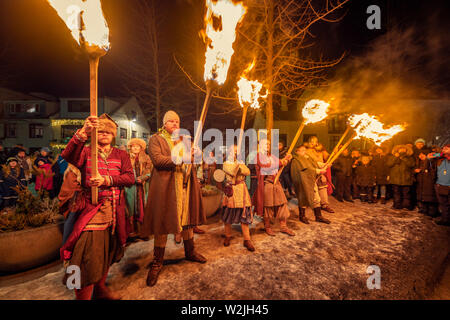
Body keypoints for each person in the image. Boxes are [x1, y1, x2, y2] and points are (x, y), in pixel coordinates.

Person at [60, 114, 135, 300]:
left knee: (107, 253)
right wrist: (84, 131)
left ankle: (100, 289)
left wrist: (107, 180)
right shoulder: (86, 152)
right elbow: (68, 155)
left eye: (108, 131)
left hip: (115, 211)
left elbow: (129, 178)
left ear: (114, 135)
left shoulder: (121, 155)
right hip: (91, 210)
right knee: (86, 257)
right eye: (100, 131)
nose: (104, 134)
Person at [141, 110, 207, 287]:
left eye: (177, 121)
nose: (175, 124)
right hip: (166, 188)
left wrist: (196, 153)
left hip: (186, 186)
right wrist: (184, 157)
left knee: (187, 221)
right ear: (164, 124)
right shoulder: (156, 139)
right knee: (163, 224)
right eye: (170, 121)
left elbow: (198, 159)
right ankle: (157, 261)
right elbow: (158, 161)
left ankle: (190, 252)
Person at [252, 138, 295, 236]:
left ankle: (283, 227)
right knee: (268, 207)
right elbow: (266, 166)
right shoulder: (258, 156)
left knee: (282, 204)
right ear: (260, 145)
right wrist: (281, 161)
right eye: (265, 144)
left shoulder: (271, 156)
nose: (267, 146)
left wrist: (287, 159)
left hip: (276, 184)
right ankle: (267, 227)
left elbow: (280, 163)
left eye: (268, 144)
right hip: (267, 184)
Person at [221, 145, 255, 251]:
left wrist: (240, 166)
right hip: (231, 191)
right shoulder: (226, 164)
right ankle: (227, 236)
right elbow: (232, 171)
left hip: (242, 191)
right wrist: (238, 167)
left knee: (244, 216)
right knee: (228, 216)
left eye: (236, 152)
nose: (235, 153)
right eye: (233, 151)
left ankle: (247, 239)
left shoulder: (241, 162)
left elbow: (247, 172)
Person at [290, 145, 331, 224]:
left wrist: (324, 165)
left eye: (305, 150)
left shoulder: (308, 158)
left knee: (316, 198)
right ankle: (302, 216)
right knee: (303, 199)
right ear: (297, 152)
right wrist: (318, 171)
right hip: (302, 183)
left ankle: (318, 216)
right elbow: (306, 170)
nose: (304, 152)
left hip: (311, 181)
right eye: (302, 150)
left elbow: (315, 164)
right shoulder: (296, 160)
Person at [124, 138, 153, 241]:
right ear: (130, 148)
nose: (135, 148)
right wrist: (131, 179)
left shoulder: (147, 158)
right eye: (133, 146)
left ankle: (143, 232)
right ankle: (131, 233)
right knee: (130, 208)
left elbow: (149, 170)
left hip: (142, 187)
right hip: (130, 187)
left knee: (142, 207)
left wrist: (143, 178)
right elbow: (123, 170)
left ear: (141, 148)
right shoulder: (126, 157)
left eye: (138, 146)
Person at [306, 136, 334, 213]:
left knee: (323, 188)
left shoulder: (321, 151)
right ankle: (310, 203)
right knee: (311, 190)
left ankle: (324, 205)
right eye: (312, 141)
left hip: (321, 173)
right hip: (312, 172)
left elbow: (328, 158)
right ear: (309, 143)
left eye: (315, 141)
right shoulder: (306, 151)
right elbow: (311, 163)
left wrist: (334, 152)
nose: (313, 143)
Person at [386, 144, 415, 210]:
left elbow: (411, 165)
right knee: (396, 193)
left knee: (406, 194)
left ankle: (406, 206)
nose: (402, 150)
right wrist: (395, 157)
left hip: (406, 179)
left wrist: (404, 159)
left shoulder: (409, 157)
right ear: (397, 150)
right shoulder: (393, 157)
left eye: (404, 149)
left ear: (406, 150)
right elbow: (389, 164)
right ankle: (397, 205)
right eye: (400, 149)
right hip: (395, 179)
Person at [428, 144, 450, 226]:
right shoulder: (440, 159)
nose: (444, 150)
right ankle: (445, 219)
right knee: (443, 204)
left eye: (447, 148)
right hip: (440, 184)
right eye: (443, 149)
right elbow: (429, 156)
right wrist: (441, 154)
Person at [415, 149, 438, 216]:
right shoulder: (418, 162)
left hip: (429, 182)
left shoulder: (431, 162)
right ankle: (424, 209)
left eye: (423, 154)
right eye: (420, 154)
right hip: (421, 182)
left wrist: (429, 158)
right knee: (423, 197)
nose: (421, 156)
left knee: (430, 197)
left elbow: (433, 172)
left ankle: (432, 212)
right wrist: (415, 171)